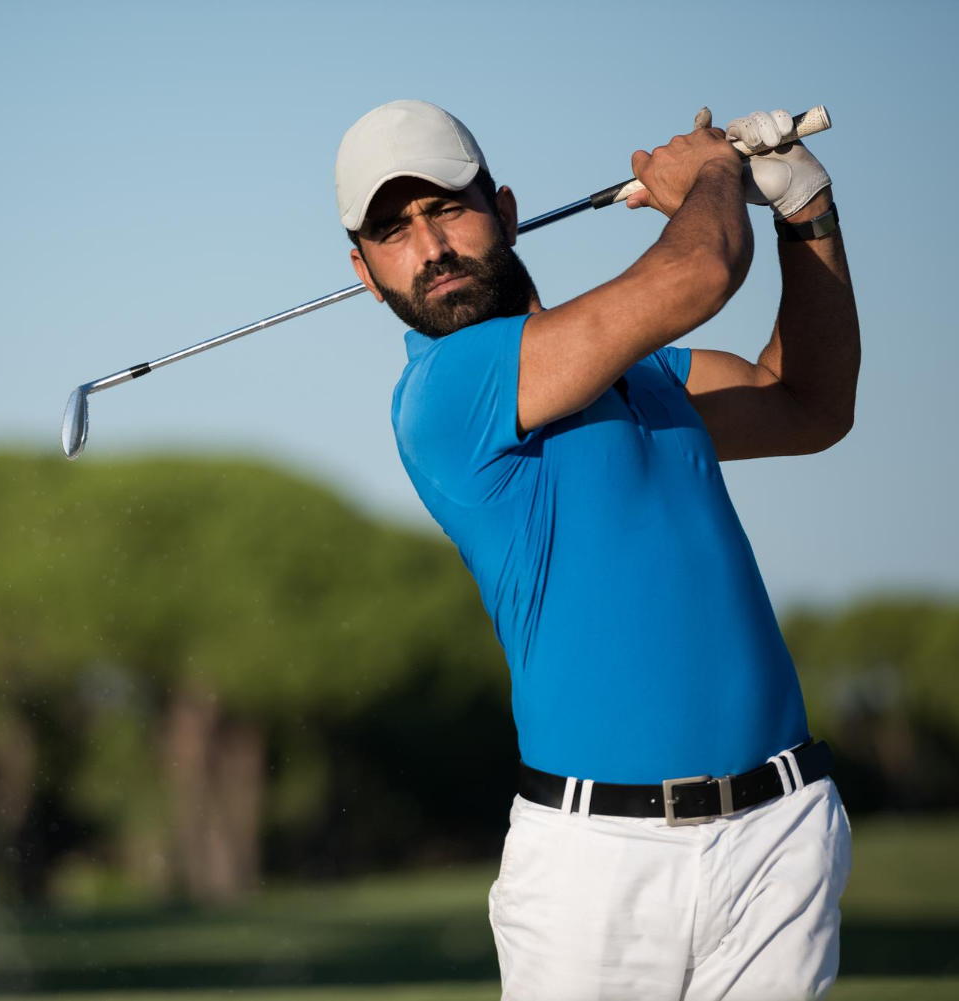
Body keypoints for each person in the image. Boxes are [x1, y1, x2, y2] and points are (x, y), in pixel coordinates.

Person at [334, 100, 859, 999]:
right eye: (392, 231)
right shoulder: (446, 391)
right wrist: (713, 174)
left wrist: (806, 209)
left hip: (781, 832)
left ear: (502, 208)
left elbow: (808, 403)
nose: (429, 249)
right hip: (596, 867)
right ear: (363, 269)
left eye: (447, 210)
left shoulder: (643, 373)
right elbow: (697, 271)